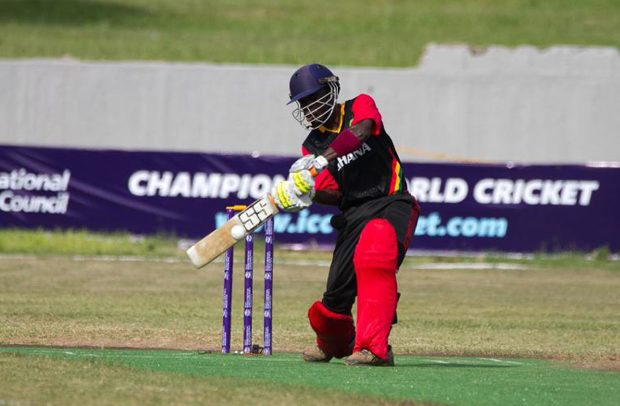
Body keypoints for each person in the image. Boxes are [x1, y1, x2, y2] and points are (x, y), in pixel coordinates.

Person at [271, 63, 420, 366]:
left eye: (313, 99)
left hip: (391, 201)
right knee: (336, 294)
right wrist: (307, 194)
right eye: (303, 103)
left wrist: (320, 161)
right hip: (353, 213)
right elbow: (335, 194)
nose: (309, 108)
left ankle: (374, 348)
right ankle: (333, 343)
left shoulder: (358, 106)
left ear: (331, 90)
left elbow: (362, 131)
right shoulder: (311, 145)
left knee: (375, 258)